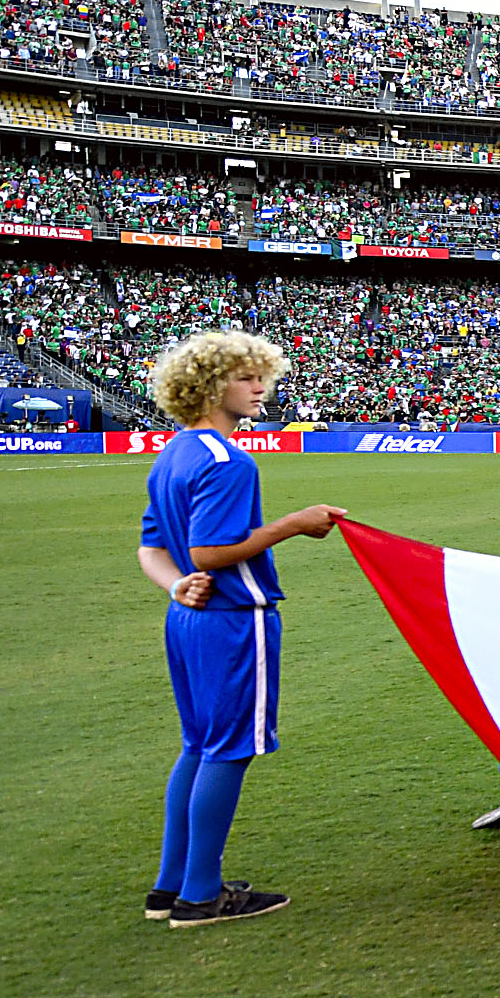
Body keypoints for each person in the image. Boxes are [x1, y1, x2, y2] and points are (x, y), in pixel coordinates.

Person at [139, 331, 345, 929]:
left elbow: (153, 548)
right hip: (233, 623)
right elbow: (209, 551)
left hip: (187, 619)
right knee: (227, 751)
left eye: (263, 376)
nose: (261, 387)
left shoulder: (173, 453)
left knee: (197, 747)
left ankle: (169, 886)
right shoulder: (228, 460)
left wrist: (176, 585)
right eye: (245, 377)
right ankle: (201, 895)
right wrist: (295, 523)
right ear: (208, 385)